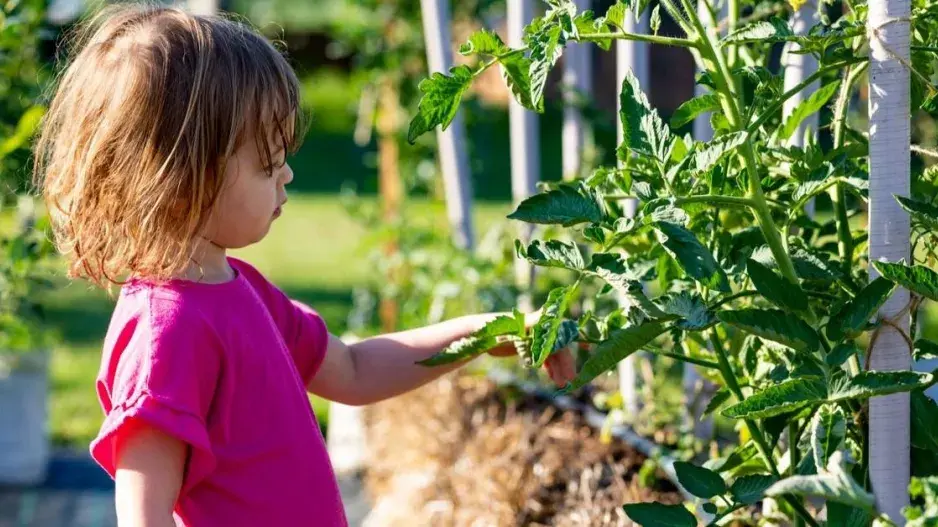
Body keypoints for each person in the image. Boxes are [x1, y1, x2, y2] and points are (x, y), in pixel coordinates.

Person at [33, 5, 577, 526]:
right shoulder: (165, 333)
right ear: (181, 178)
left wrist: (481, 334)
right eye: (269, 161)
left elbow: (355, 371)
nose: (287, 175)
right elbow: (143, 513)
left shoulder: (241, 290)